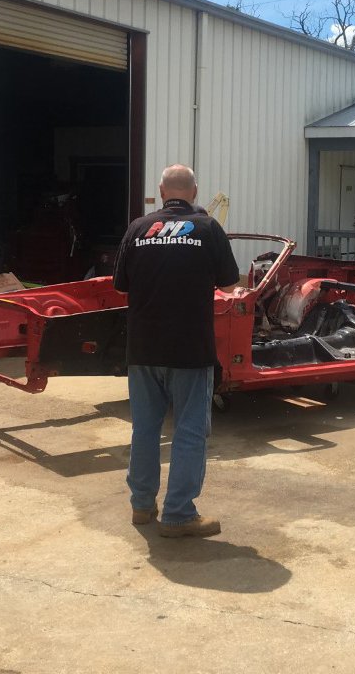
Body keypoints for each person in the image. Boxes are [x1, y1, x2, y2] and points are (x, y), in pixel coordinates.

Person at [112, 164, 239, 538]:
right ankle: (179, 515)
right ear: (195, 192)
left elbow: (121, 286)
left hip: (143, 348)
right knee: (189, 431)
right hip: (189, 349)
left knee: (145, 428)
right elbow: (229, 285)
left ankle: (141, 505)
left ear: (162, 190)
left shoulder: (138, 228)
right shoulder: (208, 229)